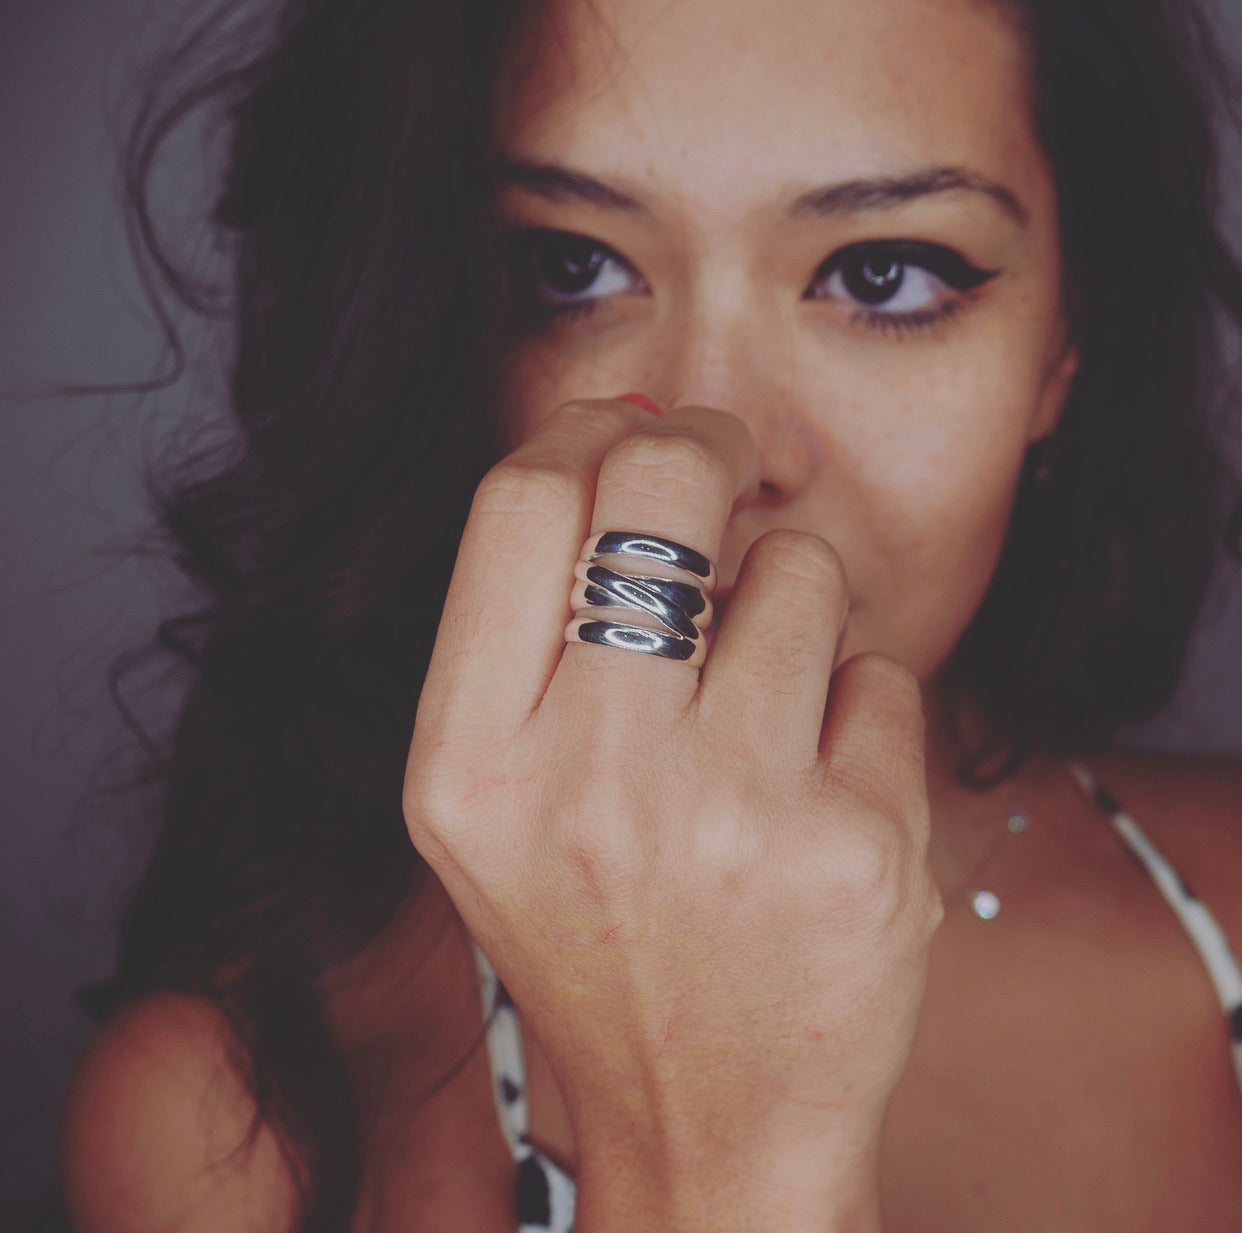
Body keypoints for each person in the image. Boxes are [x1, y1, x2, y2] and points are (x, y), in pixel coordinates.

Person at [56, 0, 1242, 1229]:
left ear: (1064, 340)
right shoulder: (231, 1130)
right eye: (571, 268)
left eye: (881, 275)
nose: (715, 453)